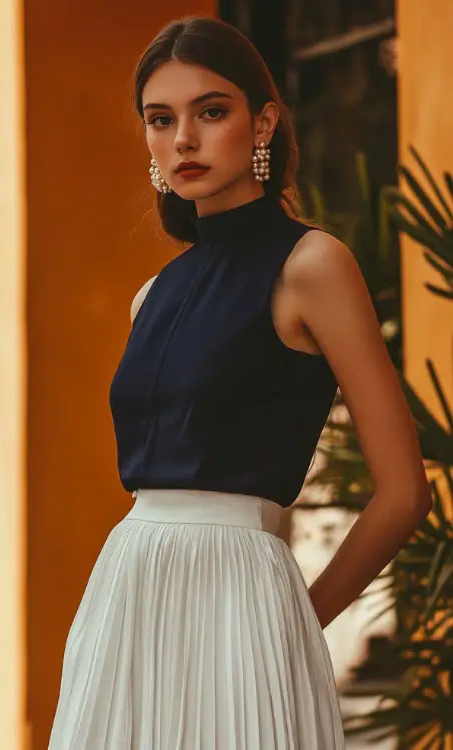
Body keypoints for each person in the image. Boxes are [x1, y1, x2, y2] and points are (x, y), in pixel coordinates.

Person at [48, 16, 432, 750]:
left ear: (263, 122)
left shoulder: (312, 266)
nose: (183, 139)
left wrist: (294, 616)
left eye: (211, 111)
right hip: (125, 596)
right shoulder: (152, 294)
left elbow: (405, 491)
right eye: (161, 120)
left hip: (244, 603)